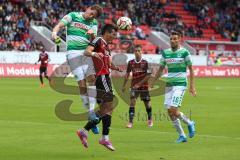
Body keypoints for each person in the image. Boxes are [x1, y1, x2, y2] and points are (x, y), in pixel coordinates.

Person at [51, 5, 102, 134]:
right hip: (72, 53)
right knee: (82, 85)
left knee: (92, 78)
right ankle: (90, 115)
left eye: (93, 16)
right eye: (91, 13)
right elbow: (60, 25)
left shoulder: (94, 23)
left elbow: (94, 40)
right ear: (88, 8)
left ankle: (91, 114)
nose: (91, 16)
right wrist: (54, 32)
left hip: (85, 53)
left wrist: (91, 36)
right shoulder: (73, 15)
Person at [145, 31, 196, 143]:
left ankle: (189, 123)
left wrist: (192, 86)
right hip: (169, 85)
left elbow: (191, 69)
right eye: (171, 39)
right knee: (169, 111)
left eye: (175, 39)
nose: (172, 41)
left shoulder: (184, 52)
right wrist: (152, 82)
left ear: (179, 39)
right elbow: (160, 69)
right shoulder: (165, 53)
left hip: (180, 84)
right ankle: (182, 135)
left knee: (174, 109)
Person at [77, 24, 121, 151]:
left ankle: (84, 131)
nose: (115, 37)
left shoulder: (106, 46)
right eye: (113, 34)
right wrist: (95, 53)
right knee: (109, 106)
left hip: (105, 76)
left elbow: (108, 62)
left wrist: (115, 67)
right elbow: (87, 51)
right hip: (101, 77)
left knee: (104, 110)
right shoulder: (98, 40)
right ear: (107, 32)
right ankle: (104, 138)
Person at [122, 45, 153, 128]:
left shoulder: (146, 62)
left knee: (147, 104)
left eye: (139, 51)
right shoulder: (130, 62)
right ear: (134, 52)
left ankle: (150, 119)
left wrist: (140, 84)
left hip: (144, 86)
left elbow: (149, 75)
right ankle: (130, 122)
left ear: (141, 51)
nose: (137, 52)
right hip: (134, 86)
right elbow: (127, 74)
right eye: (135, 51)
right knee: (132, 102)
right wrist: (124, 85)